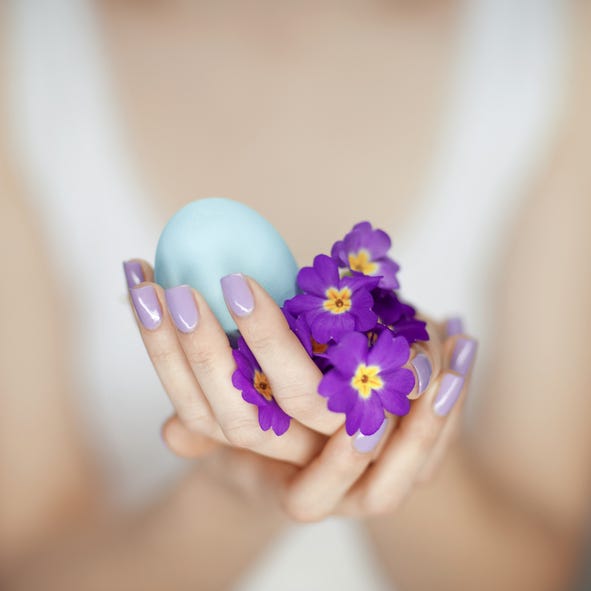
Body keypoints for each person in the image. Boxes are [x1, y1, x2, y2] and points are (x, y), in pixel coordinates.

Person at [1, 0, 590, 589]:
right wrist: (233, 494)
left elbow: (537, 570)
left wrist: (405, 456)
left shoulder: (553, 35)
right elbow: (27, 570)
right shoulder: (26, 45)